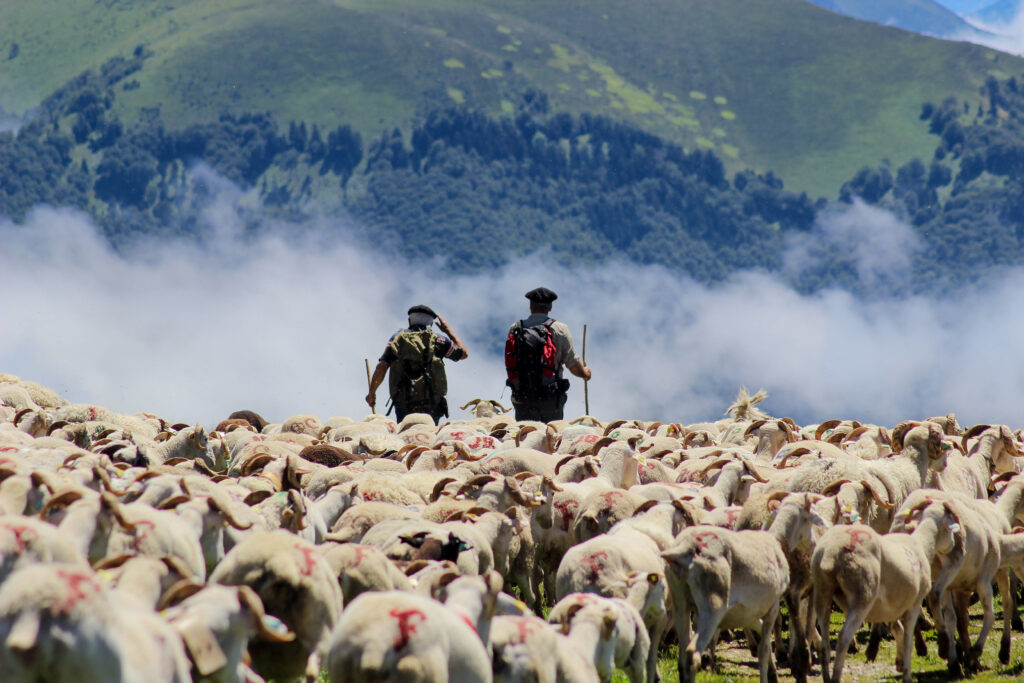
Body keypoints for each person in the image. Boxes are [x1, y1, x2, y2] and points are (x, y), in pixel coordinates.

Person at [365, 305, 468, 423]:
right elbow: (463, 354)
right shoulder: (440, 340)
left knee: (406, 436)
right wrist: (448, 330)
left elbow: (382, 366)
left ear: (409, 320)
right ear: (431, 323)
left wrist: (371, 393)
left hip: (404, 402)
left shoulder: (397, 338)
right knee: (428, 436)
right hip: (432, 402)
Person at [504, 287, 591, 423]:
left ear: (531, 306)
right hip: (550, 398)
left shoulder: (515, 328)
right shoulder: (559, 329)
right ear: (550, 307)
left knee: (525, 437)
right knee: (550, 436)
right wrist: (585, 374)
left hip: (522, 396)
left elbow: (510, 359)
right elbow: (573, 366)